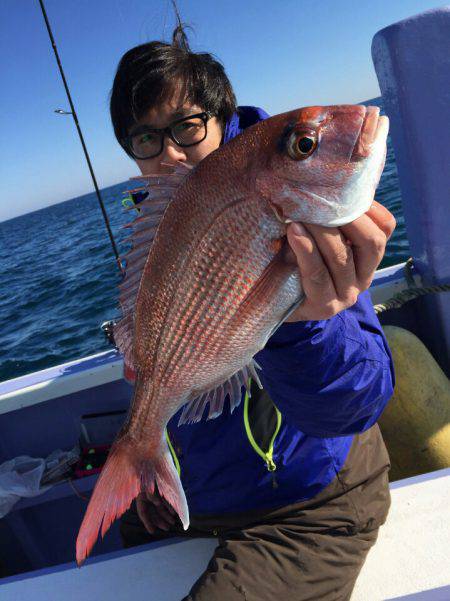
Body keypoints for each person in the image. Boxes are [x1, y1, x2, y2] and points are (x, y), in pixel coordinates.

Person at [109, 25, 396, 601]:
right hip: (201, 501)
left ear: (222, 120)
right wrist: (150, 453)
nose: (168, 151)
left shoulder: (309, 223)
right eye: (144, 138)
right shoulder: (160, 238)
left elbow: (358, 404)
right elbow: (171, 370)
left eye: (187, 126)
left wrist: (304, 327)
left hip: (310, 501)